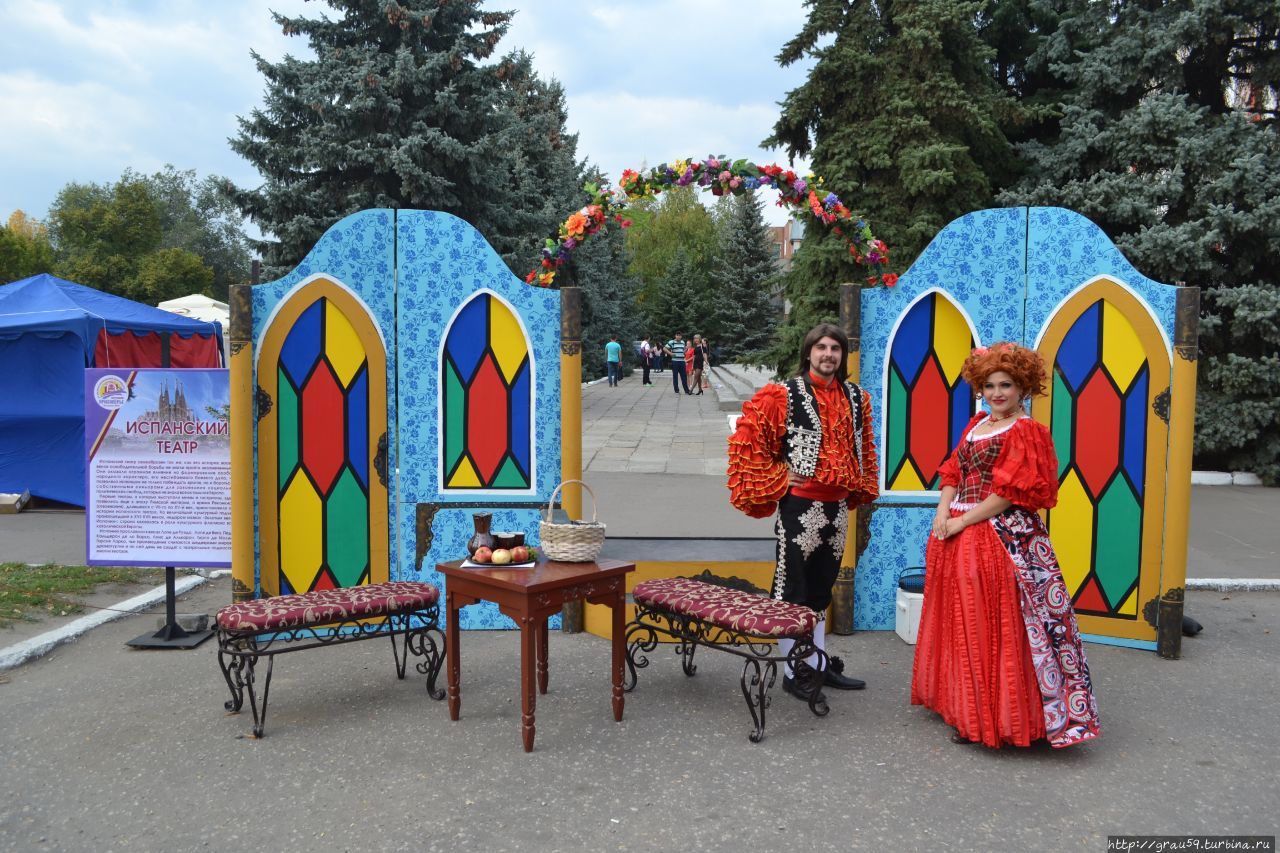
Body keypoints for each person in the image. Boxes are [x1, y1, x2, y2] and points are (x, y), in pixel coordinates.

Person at [911, 342, 1100, 749]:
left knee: (998, 624)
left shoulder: (1026, 431)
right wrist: (942, 512)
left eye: (1006, 385)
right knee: (962, 622)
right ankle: (967, 709)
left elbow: (1008, 493)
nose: (996, 393)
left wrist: (961, 520)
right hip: (957, 534)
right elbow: (952, 471)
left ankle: (1004, 719)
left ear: (1022, 388)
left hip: (1000, 537)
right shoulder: (977, 424)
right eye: (990, 385)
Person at [726, 323, 879, 702]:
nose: (828, 354)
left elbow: (864, 447)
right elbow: (747, 440)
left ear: (842, 356)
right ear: (808, 353)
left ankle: (817, 665)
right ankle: (794, 673)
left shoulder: (856, 398)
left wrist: (859, 486)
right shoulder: (783, 395)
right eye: (821, 347)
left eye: (835, 349)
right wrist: (778, 475)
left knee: (821, 588)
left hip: (837, 506)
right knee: (792, 588)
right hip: (799, 507)